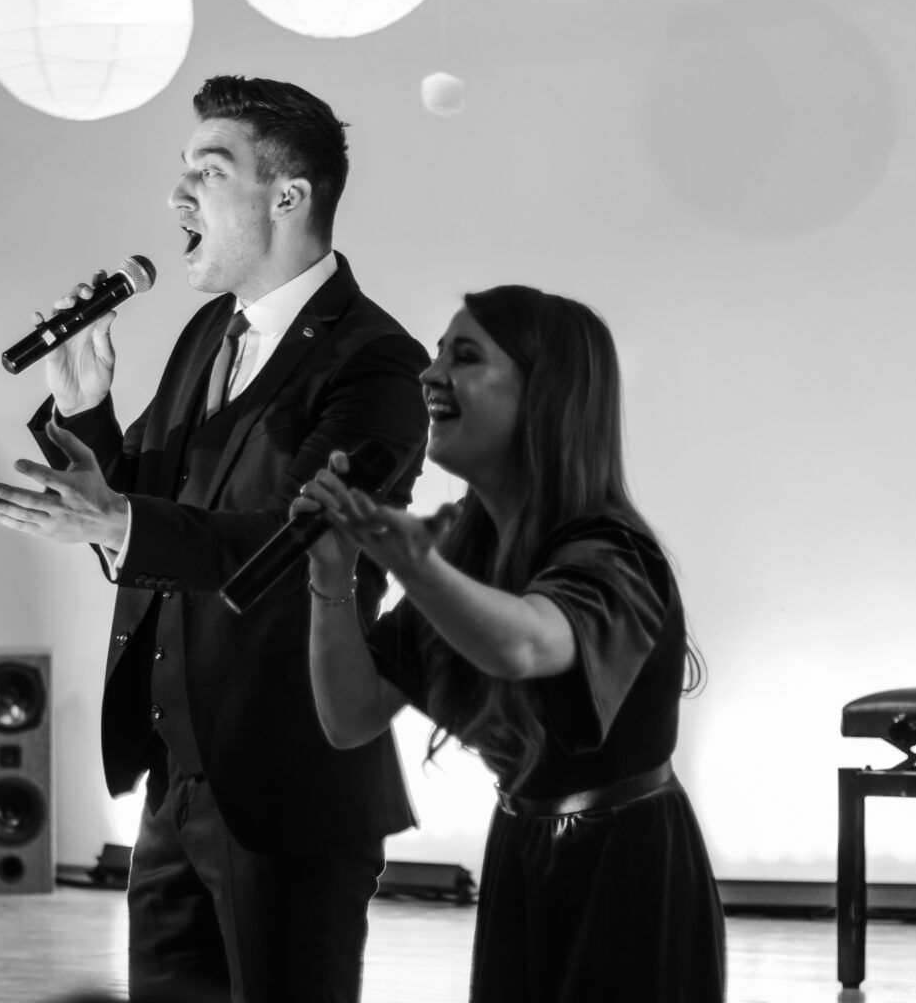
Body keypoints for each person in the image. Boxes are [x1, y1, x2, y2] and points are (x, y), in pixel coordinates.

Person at [0, 75, 429, 1003]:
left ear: (287, 196)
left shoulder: (379, 363)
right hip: (175, 785)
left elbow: (294, 547)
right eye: (182, 170)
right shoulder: (205, 336)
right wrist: (85, 407)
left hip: (292, 785)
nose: (177, 195)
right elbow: (145, 517)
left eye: (208, 172)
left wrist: (117, 519)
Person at [296, 285, 726, 1003]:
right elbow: (350, 714)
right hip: (521, 853)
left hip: (626, 873)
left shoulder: (613, 552)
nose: (429, 374)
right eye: (438, 354)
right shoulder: (465, 552)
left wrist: (415, 564)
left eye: (464, 357)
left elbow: (526, 646)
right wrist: (330, 576)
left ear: (546, 397)